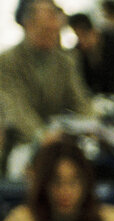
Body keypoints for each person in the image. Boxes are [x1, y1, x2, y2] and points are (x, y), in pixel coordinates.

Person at [0, 0, 93, 147]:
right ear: (28, 26)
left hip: (57, 140)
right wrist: (42, 135)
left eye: (55, 30)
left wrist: (93, 125)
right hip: (21, 141)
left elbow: (79, 100)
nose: (52, 35)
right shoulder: (7, 61)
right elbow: (16, 108)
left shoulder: (65, 62)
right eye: (46, 30)